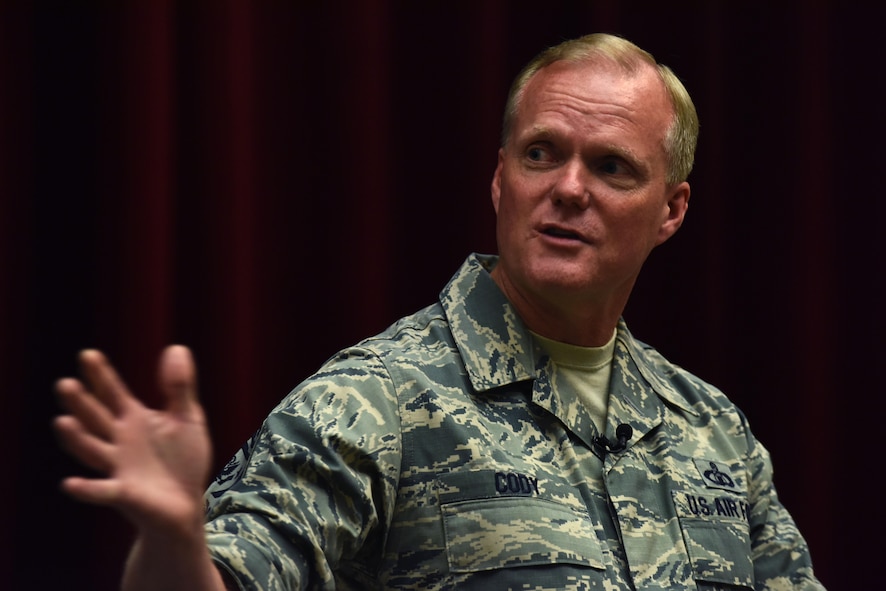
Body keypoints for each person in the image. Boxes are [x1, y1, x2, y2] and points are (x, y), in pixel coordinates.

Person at [54, 33, 826, 590]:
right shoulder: (374, 399)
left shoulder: (712, 428)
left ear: (671, 210)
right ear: (500, 181)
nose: (567, 187)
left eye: (612, 166)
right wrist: (172, 538)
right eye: (541, 153)